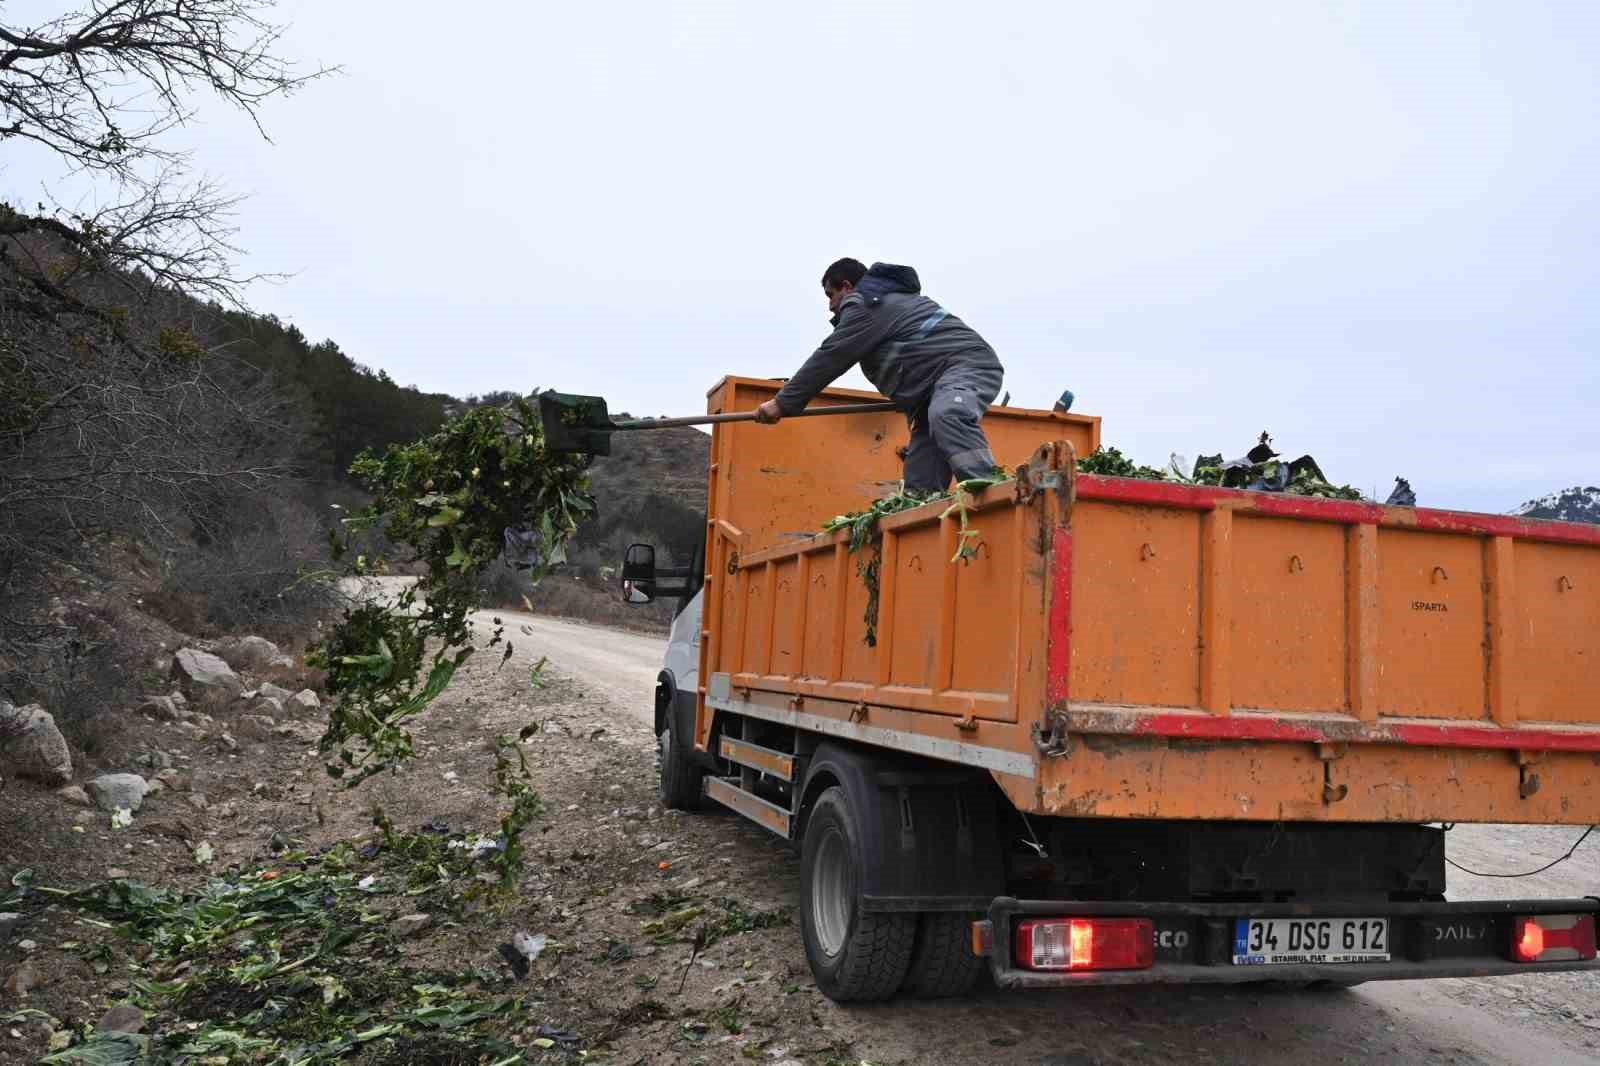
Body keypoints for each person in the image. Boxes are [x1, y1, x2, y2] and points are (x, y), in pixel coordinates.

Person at [753, 258, 1005, 495]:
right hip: (930, 393)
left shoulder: (865, 304)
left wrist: (783, 403)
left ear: (847, 287)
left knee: (949, 413)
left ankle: (991, 492)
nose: (830, 305)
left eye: (831, 295)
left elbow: (832, 355)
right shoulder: (880, 307)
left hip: (967, 366)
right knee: (920, 482)